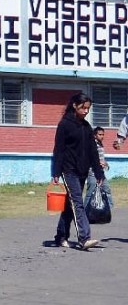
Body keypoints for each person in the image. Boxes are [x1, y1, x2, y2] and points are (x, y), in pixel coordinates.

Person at [52, 92, 103, 250]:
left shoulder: (87, 127)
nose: (86, 111)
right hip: (68, 170)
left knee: (70, 204)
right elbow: (58, 149)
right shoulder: (65, 124)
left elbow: (93, 152)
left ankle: (61, 236)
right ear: (75, 105)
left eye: (88, 108)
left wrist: (98, 172)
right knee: (77, 203)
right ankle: (84, 238)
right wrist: (55, 172)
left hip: (82, 170)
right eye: (83, 107)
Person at [85, 126, 113, 210]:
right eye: (100, 134)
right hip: (92, 172)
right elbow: (88, 158)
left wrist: (105, 163)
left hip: (101, 172)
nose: (102, 136)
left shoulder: (101, 144)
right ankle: (84, 210)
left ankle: (109, 208)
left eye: (103, 134)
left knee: (107, 189)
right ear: (95, 135)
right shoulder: (92, 145)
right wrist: (98, 163)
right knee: (90, 192)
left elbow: (101, 158)